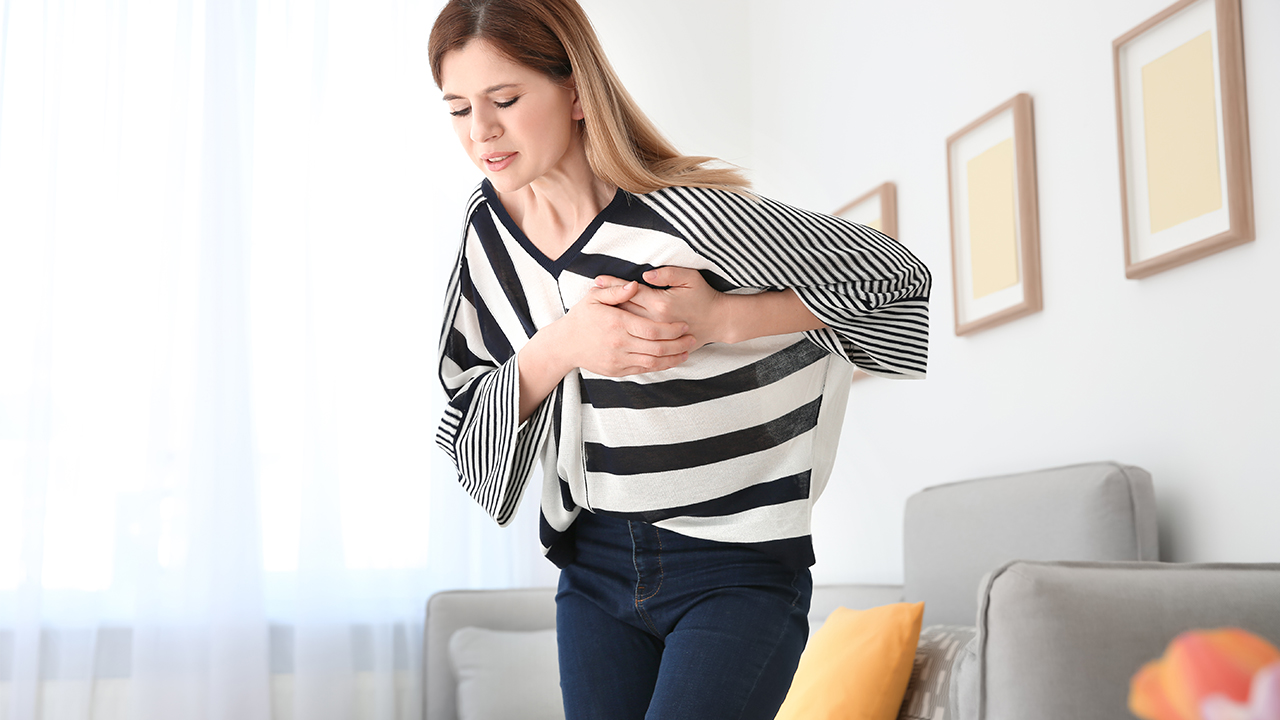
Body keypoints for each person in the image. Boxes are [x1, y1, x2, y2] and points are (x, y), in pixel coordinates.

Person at [428, 1, 931, 717]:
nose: (481, 132)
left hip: (736, 566)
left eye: (505, 99)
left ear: (575, 92)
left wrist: (723, 317)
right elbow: (466, 410)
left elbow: (894, 278)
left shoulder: (689, 217)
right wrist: (567, 343)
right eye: (457, 109)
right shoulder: (487, 231)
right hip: (594, 567)